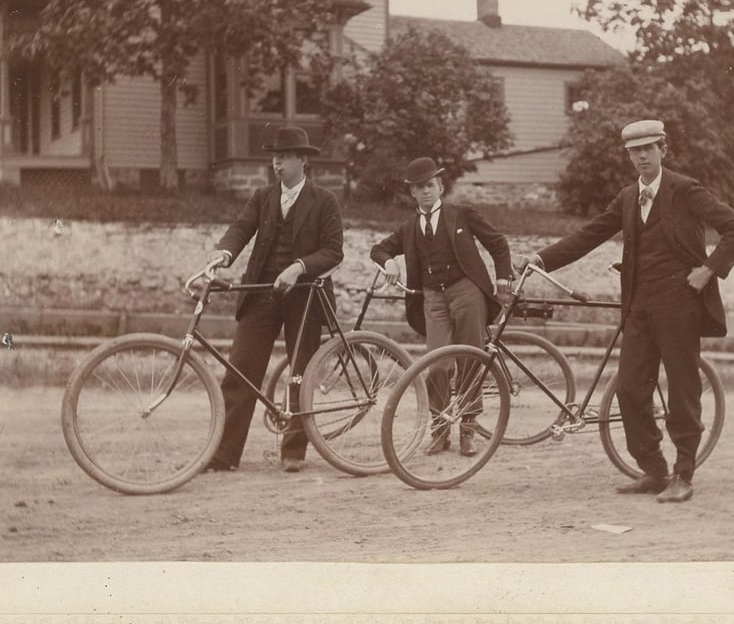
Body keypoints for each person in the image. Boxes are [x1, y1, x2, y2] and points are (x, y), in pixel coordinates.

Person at [515, 119, 734, 503]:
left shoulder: (685, 190)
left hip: (680, 307)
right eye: (634, 151)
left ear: (663, 149)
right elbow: (588, 236)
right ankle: (654, 470)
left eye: (649, 148)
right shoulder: (627, 197)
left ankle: (684, 474)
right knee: (628, 390)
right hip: (638, 307)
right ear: (628, 155)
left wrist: (708, 270)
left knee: (682, 391)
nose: (642, 156)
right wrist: (540, 259)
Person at [201, 126, 344, 474]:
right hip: (262, 294)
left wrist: (298, 267)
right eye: (274, 158)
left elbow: (333, 251)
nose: (276, 164)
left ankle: (294, 451)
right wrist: (224, 254)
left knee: (300, 374)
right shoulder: (263, 197)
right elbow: (241, 227)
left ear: (303, 161)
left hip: (305, 298)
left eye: (283, 158)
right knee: (241, 370)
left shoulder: (324, 200)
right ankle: (224, 454)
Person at [370, 157, 512, 457]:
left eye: (430, 186)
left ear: (441, 187)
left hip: (467, 292)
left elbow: (497, 242)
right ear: (412, 193)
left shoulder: (461, 215)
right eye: (419, 188)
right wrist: (389, 263)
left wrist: (503, 278)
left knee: (470, 360)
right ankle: (440, 430)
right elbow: (378, 249)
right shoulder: (409, 227)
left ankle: (469, 430)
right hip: (433, 299)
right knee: (437, 366)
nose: (425, 192)